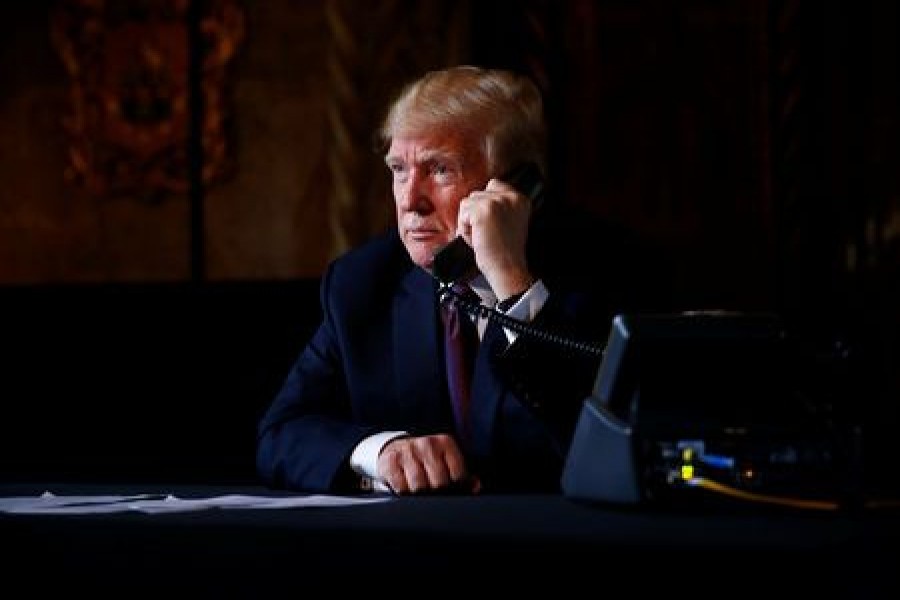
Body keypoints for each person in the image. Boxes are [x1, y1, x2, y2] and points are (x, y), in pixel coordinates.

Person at [256, 65, 615, 495]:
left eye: (440, 169)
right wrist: (381, 451)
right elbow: (281, 433)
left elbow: (601, 447)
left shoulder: (603, 270)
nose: (410, 201)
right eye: (398, 170)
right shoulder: (363, 283)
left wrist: (510, 279)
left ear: (516, 186)